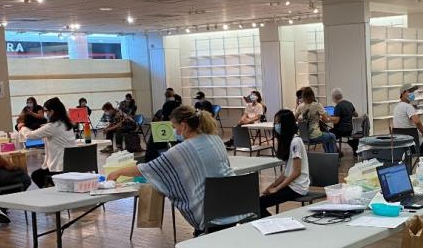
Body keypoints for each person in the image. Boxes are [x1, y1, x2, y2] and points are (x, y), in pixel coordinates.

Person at [106, 106, 235, 234]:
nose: (175, 132)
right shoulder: (216, 139)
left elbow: (149, 168)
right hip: (236, 204)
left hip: (211, 213)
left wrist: (118, 172)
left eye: (174, 127)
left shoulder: (181, 150)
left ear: (183, 126)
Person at [259, 109, 311, 216]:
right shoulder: (289, 141)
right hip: (291, 185)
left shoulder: (296, 141)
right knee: (258, 202)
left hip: (297, 188)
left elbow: (296, 172)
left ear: (286, 125)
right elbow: (286, 173)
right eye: (275, 123)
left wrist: (277, 188)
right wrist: (270, 187)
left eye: (278, 123)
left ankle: (272, 223)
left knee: (258, 203)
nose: (276, 126)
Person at [18, 97, 77, 189]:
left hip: (59, 167)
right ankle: (53, 187)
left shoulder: (52, 126)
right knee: (40, 174)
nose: (44, 113)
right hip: (72, 164)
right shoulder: (66, 124)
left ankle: (52, 190)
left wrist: (22, 127)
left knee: (36, 175)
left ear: (52, 112)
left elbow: (29, 135)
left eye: (45, 111)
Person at [295, 87, 338, 152]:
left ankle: (329, 155)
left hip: (304, 137)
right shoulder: (317, 105)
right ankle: (332, 157)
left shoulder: (300, 106)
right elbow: (326, 120)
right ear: (312, 95)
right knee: (332, 136)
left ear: (303, 96)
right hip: (315, 136)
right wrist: (331, 119)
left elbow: (294, 119)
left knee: (326, 136)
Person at [327, 88, 359, 155]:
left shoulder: (338, 106)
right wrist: (348, 113)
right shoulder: (349, 103)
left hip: (341, 130)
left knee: (328, 135)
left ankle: (336, 152)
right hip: (349, 129)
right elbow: (356, 114)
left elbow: (336, 121)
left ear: (334, 98)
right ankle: (353, 144)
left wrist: (329, 117)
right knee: (332, 132)